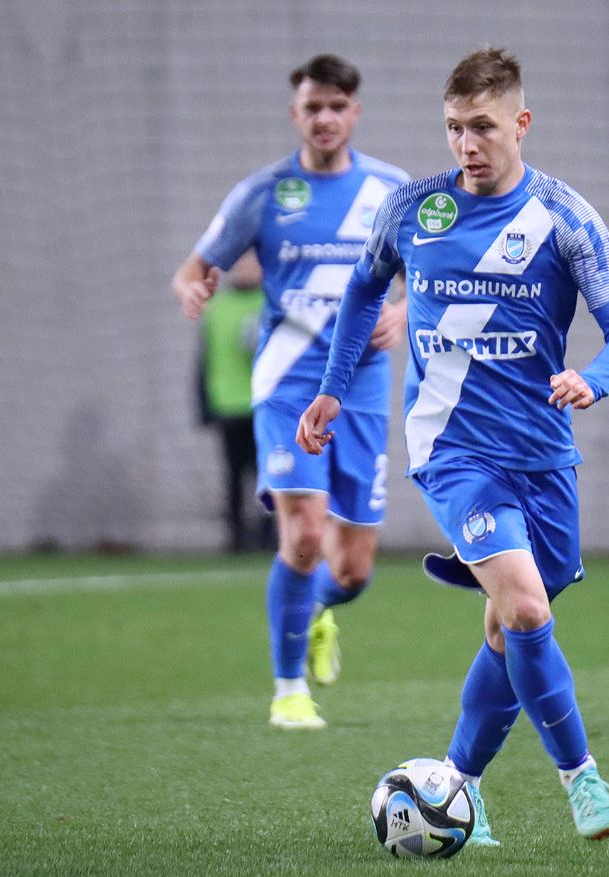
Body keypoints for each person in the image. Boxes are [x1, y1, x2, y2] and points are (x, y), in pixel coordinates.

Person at [297, 47, 609, 843]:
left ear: (521, 123)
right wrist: (332, 386)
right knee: (523, 606)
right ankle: (584, 782)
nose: (466, 144)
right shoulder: (414, 209)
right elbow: (362, 290)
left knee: (506, 628)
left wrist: (592, 378)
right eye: (454, 127)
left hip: (544, 457)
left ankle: (460, 784)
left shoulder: (565, 217)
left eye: (483, 127)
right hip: (452, 451)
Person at [172, 54, 410, 731]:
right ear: (295, 114)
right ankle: (288, 690)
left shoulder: (392, 192)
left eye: (336, 106)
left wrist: (405, 312)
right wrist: (192, 286)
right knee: (304, 536)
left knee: (353, 569)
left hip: (362, 387)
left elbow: (431, 278)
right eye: (313, 107)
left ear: (355, 112)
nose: (325, 118)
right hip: (287, 383)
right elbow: (193, 267)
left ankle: (319, 611)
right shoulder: (264, 194)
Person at [196, 249, 275, 552]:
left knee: (268, 472)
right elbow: (205, 360)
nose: (246, 270)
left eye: (252, 264)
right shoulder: (218, 308)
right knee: (233, 475)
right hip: (229, 406)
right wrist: (204, 404)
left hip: (265, 404)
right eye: (241, 264)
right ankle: (237, 535)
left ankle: (269, 534)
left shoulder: (273, 302)